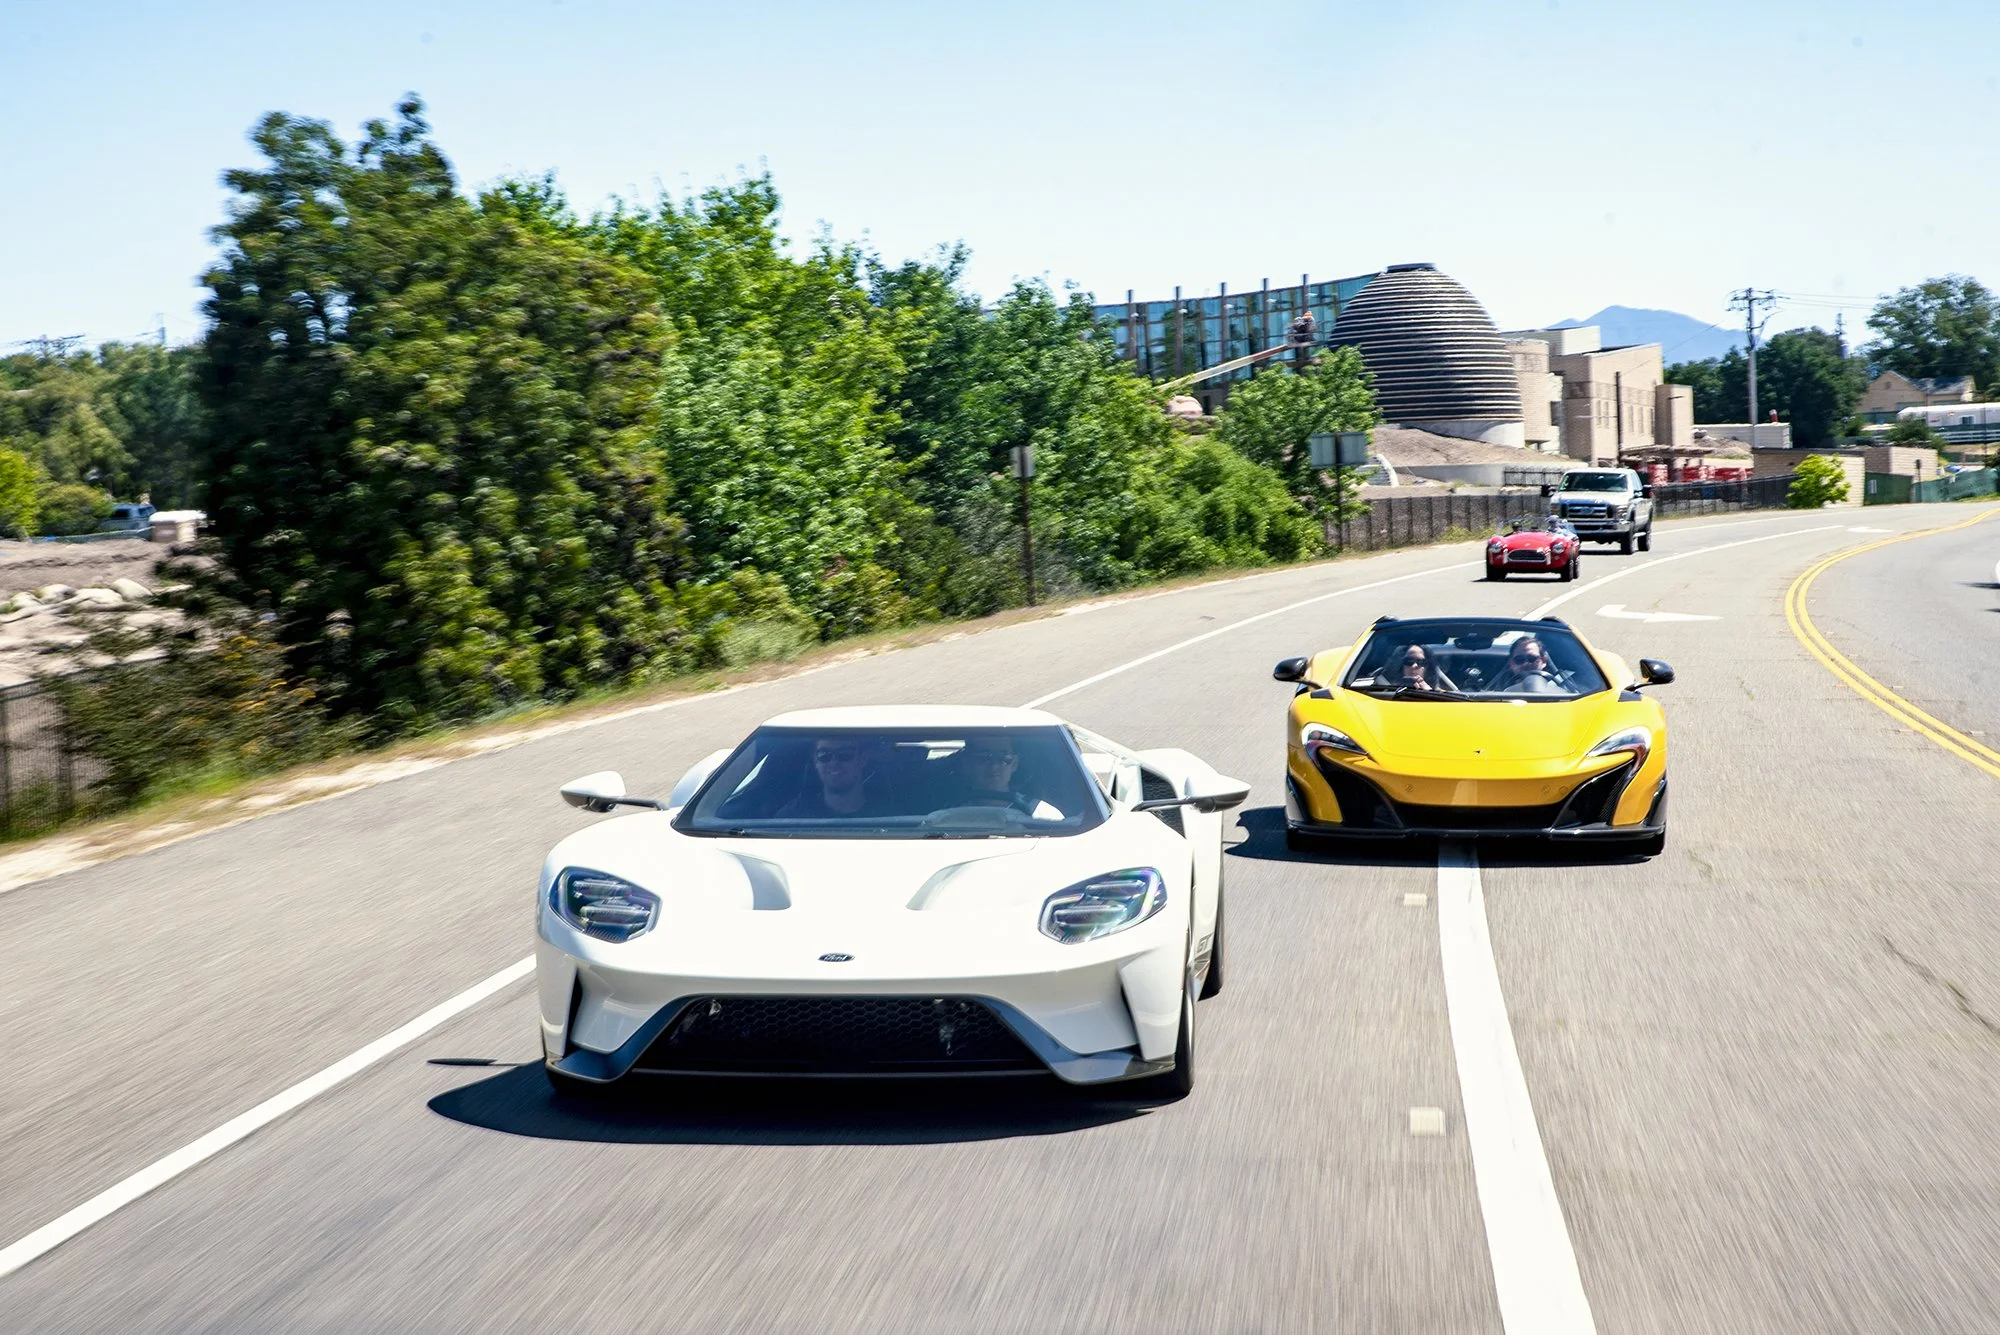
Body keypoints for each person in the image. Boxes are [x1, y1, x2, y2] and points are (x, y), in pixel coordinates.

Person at [775, 737, 877, 818]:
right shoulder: (792, 817)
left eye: (845, 754)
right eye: (824, 755)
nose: (834, 763)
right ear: (815, 761)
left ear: (862, 759)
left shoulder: (886, 813)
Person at [1486, 636, 1564, 694]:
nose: (1526, 664)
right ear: (1511, 663)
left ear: (1543, 661)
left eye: (1532, 658)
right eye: (1519, 660)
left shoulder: (1561, 687)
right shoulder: (1497, 689)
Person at [1390, 645, 1459, 693]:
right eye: (1409, 661)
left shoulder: (1444, 696)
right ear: (1400, 665)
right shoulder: (1384, 692)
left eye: (1421, 662)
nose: (1414, 665)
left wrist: (1430, 693)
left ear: (1428, 667)